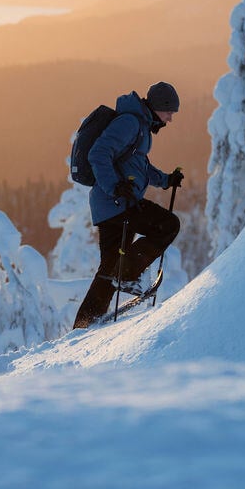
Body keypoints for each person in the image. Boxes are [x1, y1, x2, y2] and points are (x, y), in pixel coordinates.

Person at [73, 82, 183, 329]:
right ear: (159, 107)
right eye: (169, 112)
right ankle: (128, 275)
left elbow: (139, 167)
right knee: (168, 225)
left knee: (109, 267)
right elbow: (98, 154)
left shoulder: (139, 125)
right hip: (117, 202)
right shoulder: (131, 123)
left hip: (110, 205)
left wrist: (166, 180)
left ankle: (83, 324)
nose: (170, 118)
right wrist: (115, 187)